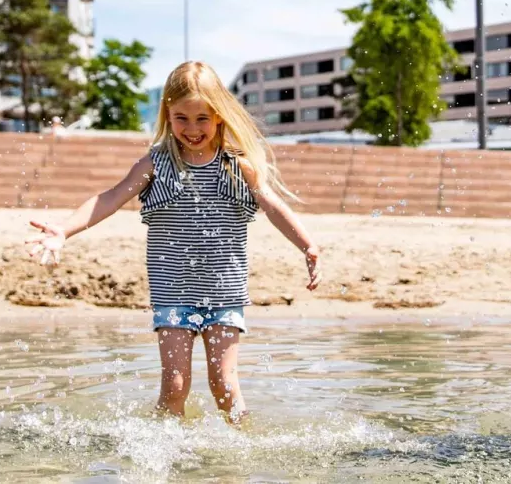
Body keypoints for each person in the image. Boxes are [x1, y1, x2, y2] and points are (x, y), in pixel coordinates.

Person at [26, 61, 320, 421]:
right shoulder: (156, 163)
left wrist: (307, 245)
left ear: (219, 117)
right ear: (167, 113)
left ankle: (244, 445)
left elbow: (272, 205)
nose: (192, 129)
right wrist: (63, 230)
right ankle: (168, 453)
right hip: (173, 292)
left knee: (224, 387)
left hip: (224, 291)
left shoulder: (236, 166)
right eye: (182, 118)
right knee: (175, 384)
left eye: (202, 119)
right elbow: (110, 197)